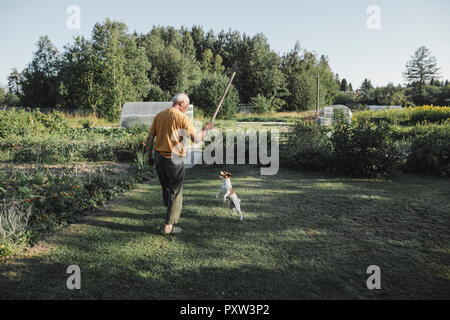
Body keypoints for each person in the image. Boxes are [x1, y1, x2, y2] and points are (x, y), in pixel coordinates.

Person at [145, 93, 214, 235]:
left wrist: (149, 156)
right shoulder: (183, 118)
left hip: (159, 158)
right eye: (186, 105)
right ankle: (168, 226)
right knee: (176, 192)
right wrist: (206, 129)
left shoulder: (160, 115)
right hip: (174, 159)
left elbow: (151, 137)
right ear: (181, 103)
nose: (187, 108)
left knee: (166, 188)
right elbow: (196, 139)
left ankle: (170, 211)